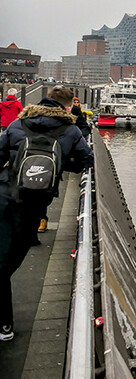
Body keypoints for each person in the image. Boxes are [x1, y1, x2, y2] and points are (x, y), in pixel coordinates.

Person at [0, 86, 94, 341]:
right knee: (7, 264)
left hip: (5, 196)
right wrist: (61, 165)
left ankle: (4, 325)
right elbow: (88, 160)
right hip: (32, 207)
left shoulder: (20, 124)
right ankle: (4, 325)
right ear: (67, 107)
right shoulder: (71, 130)